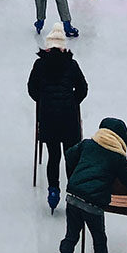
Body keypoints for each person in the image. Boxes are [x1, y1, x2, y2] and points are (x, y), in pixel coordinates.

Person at [58, 117, 127, 253]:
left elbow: (69, 156)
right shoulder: (117, 157)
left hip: (73, 196)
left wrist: (80, 168)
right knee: (99, 240)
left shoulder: (87, 144)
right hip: (93, 204)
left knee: (71, 235)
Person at [27, 23, 88, 213]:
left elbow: (31, 88)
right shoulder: (71, 64)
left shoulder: (39, 64)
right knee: (71, 156)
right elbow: (83, 88)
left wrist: (44, 101)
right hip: (68, 119)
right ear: (63, 47)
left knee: (53, 156)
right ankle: (73, 192)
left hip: (48, 119)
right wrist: (72, 101)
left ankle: (53, 191)